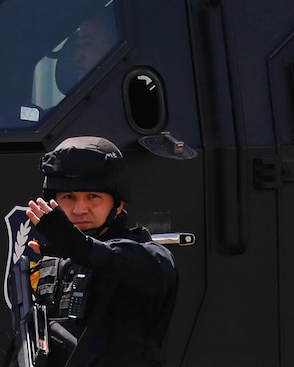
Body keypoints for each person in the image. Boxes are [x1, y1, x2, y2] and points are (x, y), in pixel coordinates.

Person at [21, 136, 177, 367]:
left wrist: (80, 248)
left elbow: (150, 268)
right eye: (68, 197)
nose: (79, 208)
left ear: (118, 204)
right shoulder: (53, 265)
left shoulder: (143, 257)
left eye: (93, 197)